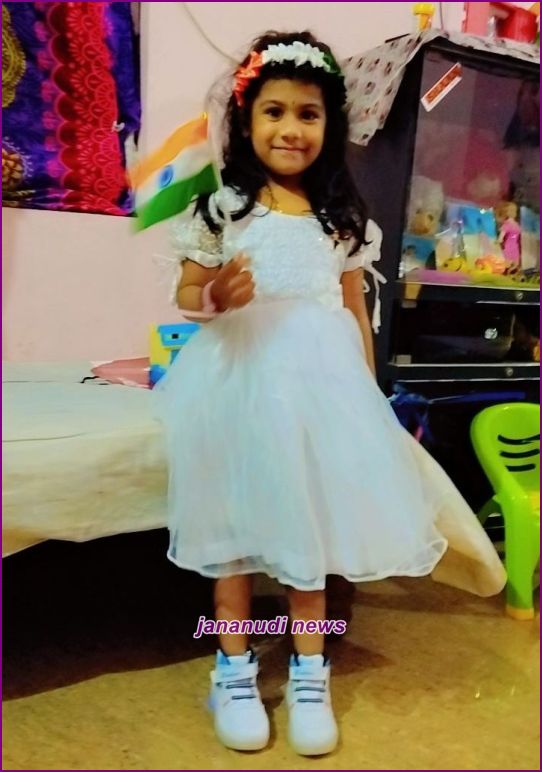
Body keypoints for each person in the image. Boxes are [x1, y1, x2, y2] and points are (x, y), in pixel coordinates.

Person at [154, 30, 506, 756]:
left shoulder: (341, 220)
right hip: (240, 382)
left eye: (308, 114)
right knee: (234, 542)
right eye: (274, 111)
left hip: (319, 389)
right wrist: (215, 295)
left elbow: (352, 309)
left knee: (308, 533)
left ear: (329, 124)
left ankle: (309, 671)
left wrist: (368, 399)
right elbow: (189, 291)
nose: (291, 128)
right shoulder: (223, 207)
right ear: (247, 120)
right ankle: (232, 669)